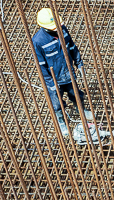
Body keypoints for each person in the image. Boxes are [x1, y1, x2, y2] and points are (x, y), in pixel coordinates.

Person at [32, 8, 92, 136]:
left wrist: (79, 63)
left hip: (68, 72)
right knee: (57, 103)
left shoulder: (63, 30)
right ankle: (61, 120)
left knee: (76, 94)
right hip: (54, 79)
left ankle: (81, 109)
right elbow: (41, 65)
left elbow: (72, 47)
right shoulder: (38, 41)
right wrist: (51, 83)